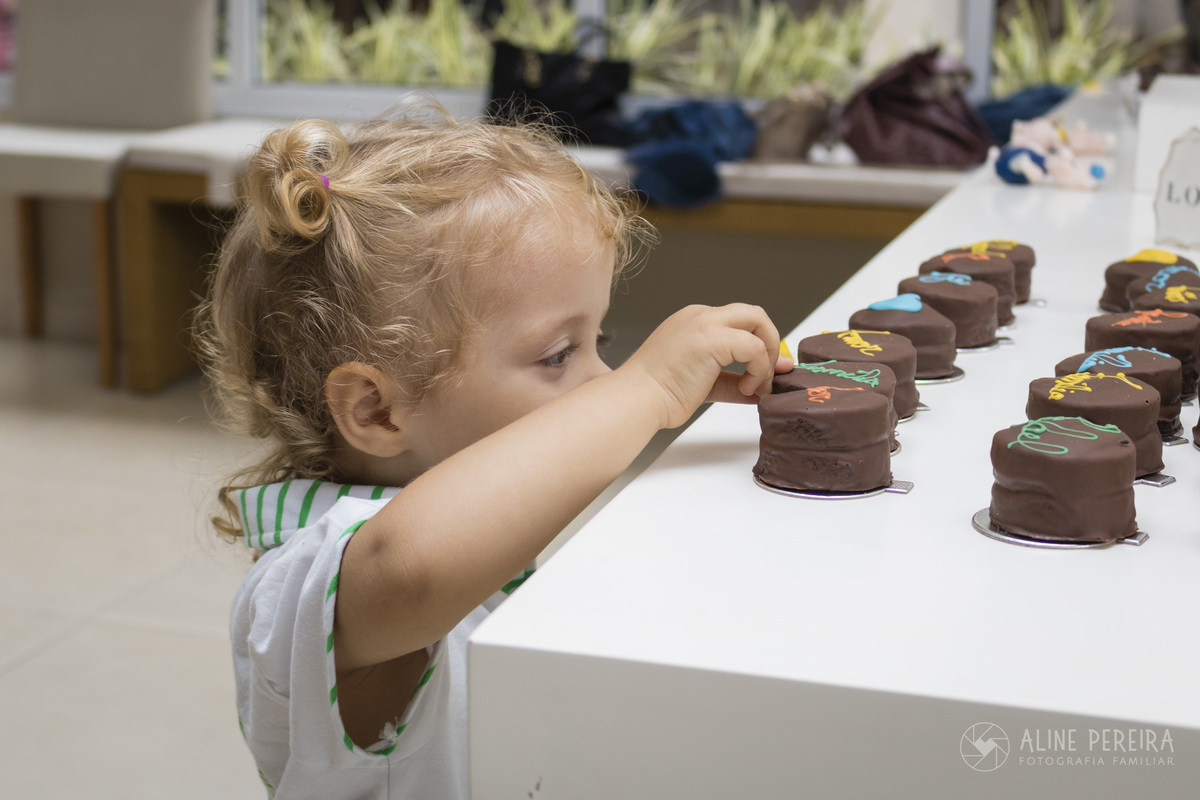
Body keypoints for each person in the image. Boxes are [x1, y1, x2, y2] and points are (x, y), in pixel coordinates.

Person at [197, 103, 792, 799]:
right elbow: (413, 568)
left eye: (600, 342)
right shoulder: (303, 585)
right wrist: (647, 389)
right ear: (376, 411)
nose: (603, 382)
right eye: (558, 354)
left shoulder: (460, 518)